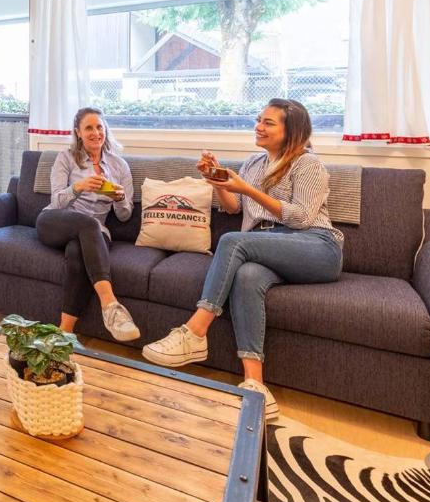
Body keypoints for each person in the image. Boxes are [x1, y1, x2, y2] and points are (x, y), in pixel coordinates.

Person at [142, 98, 343, 420]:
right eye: (258, 120)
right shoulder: (252, 164)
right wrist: (217, 183)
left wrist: (248, 190)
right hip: (267, 244)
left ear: (292, 131)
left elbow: (303, 218)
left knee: (233, 241)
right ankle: (255, 385)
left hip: (315, 245)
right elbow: (234, 208)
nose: (258, 127)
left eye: (268, 122)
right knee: (247, 276)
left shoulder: (308, 164)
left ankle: (195, 332)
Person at [36, 107, 139, 341]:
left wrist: (120, 198)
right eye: (89, 128)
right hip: (55, 221)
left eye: (100, 127)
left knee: (77, 251)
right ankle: (110, 305)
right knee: (88, 224)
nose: (96, 132)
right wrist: (79, 187)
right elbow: (57, 201)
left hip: (95, 231)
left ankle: (64, 332)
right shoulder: (66, 158)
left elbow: (124, 216)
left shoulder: (119, 166)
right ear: (78, 133)